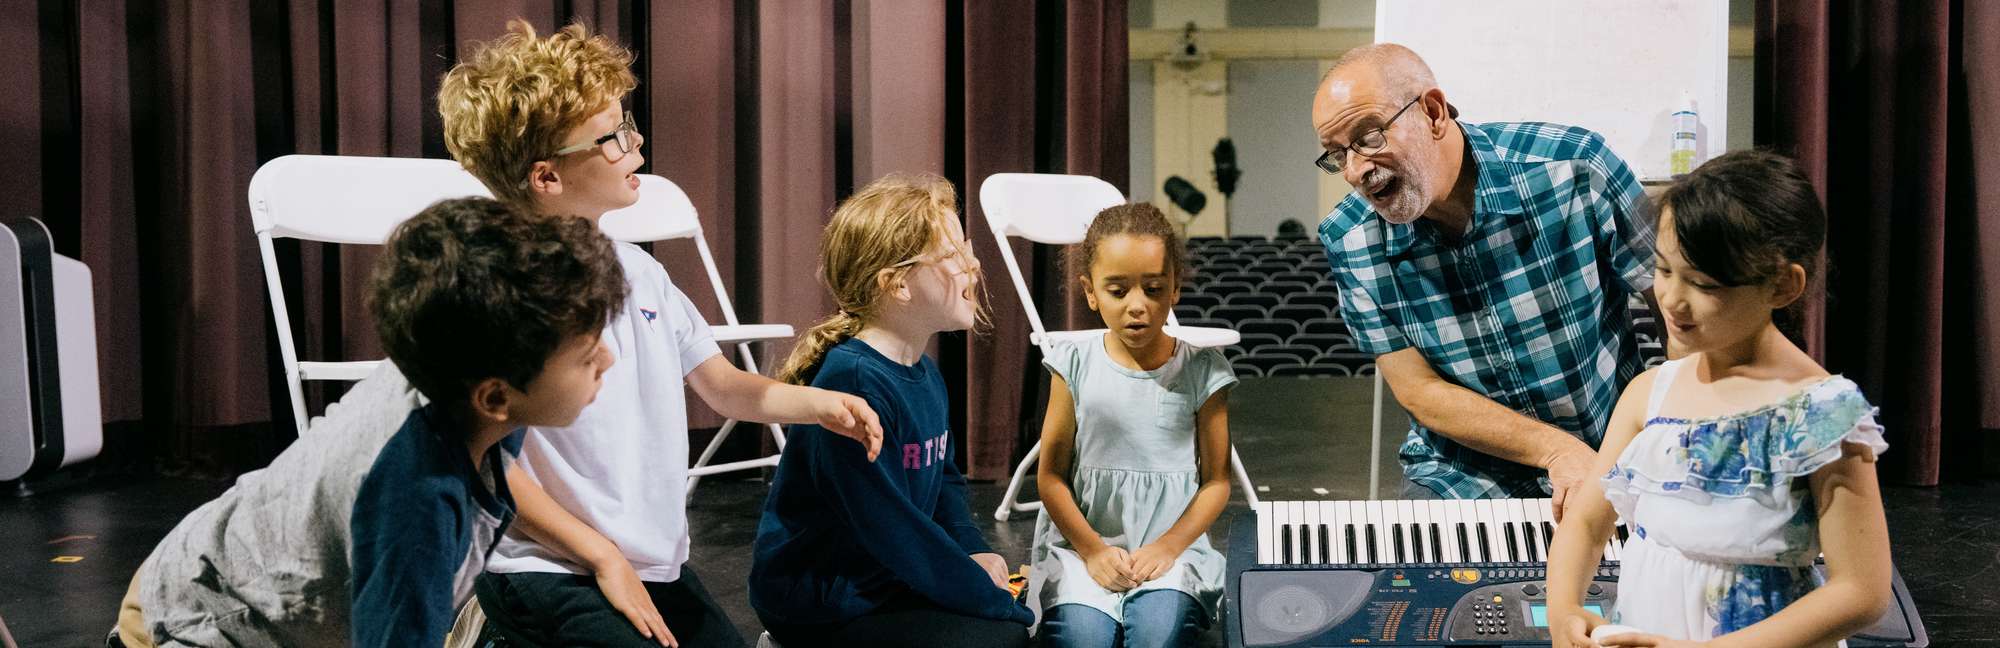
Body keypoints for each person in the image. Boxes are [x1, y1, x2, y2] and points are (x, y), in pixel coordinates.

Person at [437, 20, 883, 648]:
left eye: (627, 126)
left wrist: (820, 405)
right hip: (545, 565)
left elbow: (723, 386)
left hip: (644, 564)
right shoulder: (496, 292)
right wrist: (601, 557)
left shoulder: (641, 272)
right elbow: (482, 463)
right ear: (547, 177)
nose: (637, 144)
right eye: (612, 138)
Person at [112, 198, 625, 648]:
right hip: (199, 622)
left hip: (263, 587)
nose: (608, 359)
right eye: (585, 358)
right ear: (495, 397)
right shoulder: (414, 501)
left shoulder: (467, 368)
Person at [1545, 150, 1893, 647]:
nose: (1671, 299)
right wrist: (1563, 609)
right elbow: (1585, 521)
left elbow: (1861, 591)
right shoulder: (1651, 393)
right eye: (1664, 270)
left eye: (1702, 283)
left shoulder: (1822, 413)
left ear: (1782, 285)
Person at [1311, 43, 1657, 515]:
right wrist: (1555, 451)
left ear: (1433, 112)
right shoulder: (1349, 239)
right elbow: (1418, 391)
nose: (1355, 172)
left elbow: (1676, 301)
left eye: (1369, 137)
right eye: (1337, 155)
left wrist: (1685, 433)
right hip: (1462, 474)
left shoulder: (1576, 167)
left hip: (1610, 445)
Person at [748, 174, 1033, 648]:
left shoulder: (924, 371)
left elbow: (944, 481)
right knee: (1002, 637)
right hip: (823, 601)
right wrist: (994, 601)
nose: (974, 264)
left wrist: (972, 549)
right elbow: (891, 528)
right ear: (897, 284)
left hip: (883, 576)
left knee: (1004, 632)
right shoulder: (853, 380)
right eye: (953, 255)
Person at [1028, 203, 1234, 648]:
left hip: (1172, 552)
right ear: (1090, 292)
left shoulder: (1204, 370)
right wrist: (1093, 550)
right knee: (1082, 639)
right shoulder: (1072, 364)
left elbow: (1217, 481)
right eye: (1118, 291)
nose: (1137, 306)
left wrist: (1169, 546)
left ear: (1175, 288)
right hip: (1085, 548)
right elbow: (1051, 477)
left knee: (1159, 636)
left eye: (1154, 289)